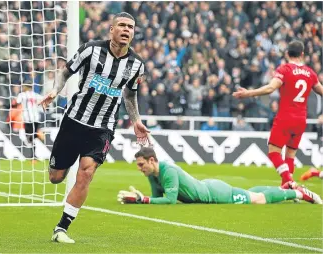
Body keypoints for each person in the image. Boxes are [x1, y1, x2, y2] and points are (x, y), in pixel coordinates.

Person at [39, 12, 151, 243]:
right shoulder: (91, 50)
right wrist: (55, 90)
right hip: (74, 121)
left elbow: (130, 95)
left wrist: (136, 120)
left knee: (87, 172)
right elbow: (65, 72)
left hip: (103, 127)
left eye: (130, 27)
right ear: (112, 29)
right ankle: (65, 164)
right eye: (121, 25)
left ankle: (61, 228)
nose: (126, 30)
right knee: (56, 177)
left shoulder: (137, 64)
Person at [232, 40, 323, 188]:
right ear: (302, 54)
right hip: (301, 120)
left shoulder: (284, 69)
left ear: (287, 54)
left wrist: (248, 93)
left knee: (274, 153)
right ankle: (286, 187)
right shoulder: (311, 73)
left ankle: (290, 182)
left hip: (285, 118)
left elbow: (270, 88)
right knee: (290, 156)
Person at [117, 147, 322, 205]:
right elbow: (158, 198)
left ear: (152, 160)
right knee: (249, 193)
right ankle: (284, 189)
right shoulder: (153, 175)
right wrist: (140, 200)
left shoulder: (167, 170)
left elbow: (169, 200)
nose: (139, 168)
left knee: (257, 200)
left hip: (215, 194)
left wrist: (143, 200)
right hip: (208, 187)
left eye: (141, 164)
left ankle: (298, 194)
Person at [16, 80, 44, 160]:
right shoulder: (36, 95)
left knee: (29, 137)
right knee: (32, 137)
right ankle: (38, 136)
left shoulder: (22, 95)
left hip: (28, 119)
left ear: (26, 87)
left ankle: (33, 155)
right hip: (36, 118)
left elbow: (17, 102)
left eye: (23, 86)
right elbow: (43, 100)